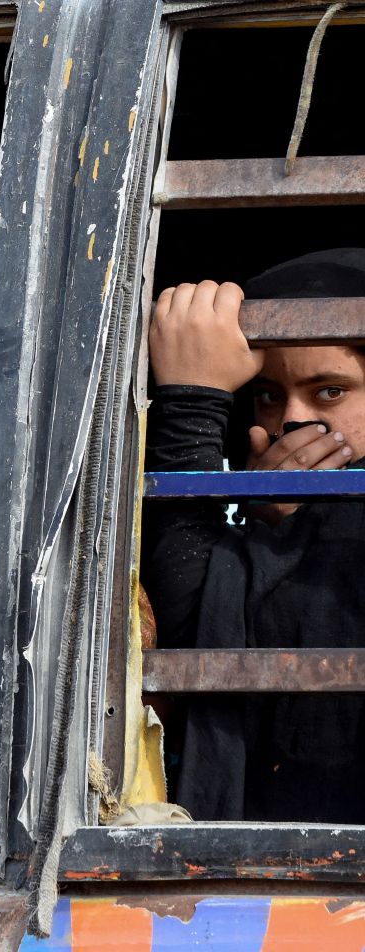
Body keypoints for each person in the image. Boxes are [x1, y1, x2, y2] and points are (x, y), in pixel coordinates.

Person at [141, 248, 365, 822]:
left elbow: (193, 624)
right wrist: (274, 526)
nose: (292, 419)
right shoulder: (271, 513)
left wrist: (190, 405)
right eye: (267, 394)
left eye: (330, 391)